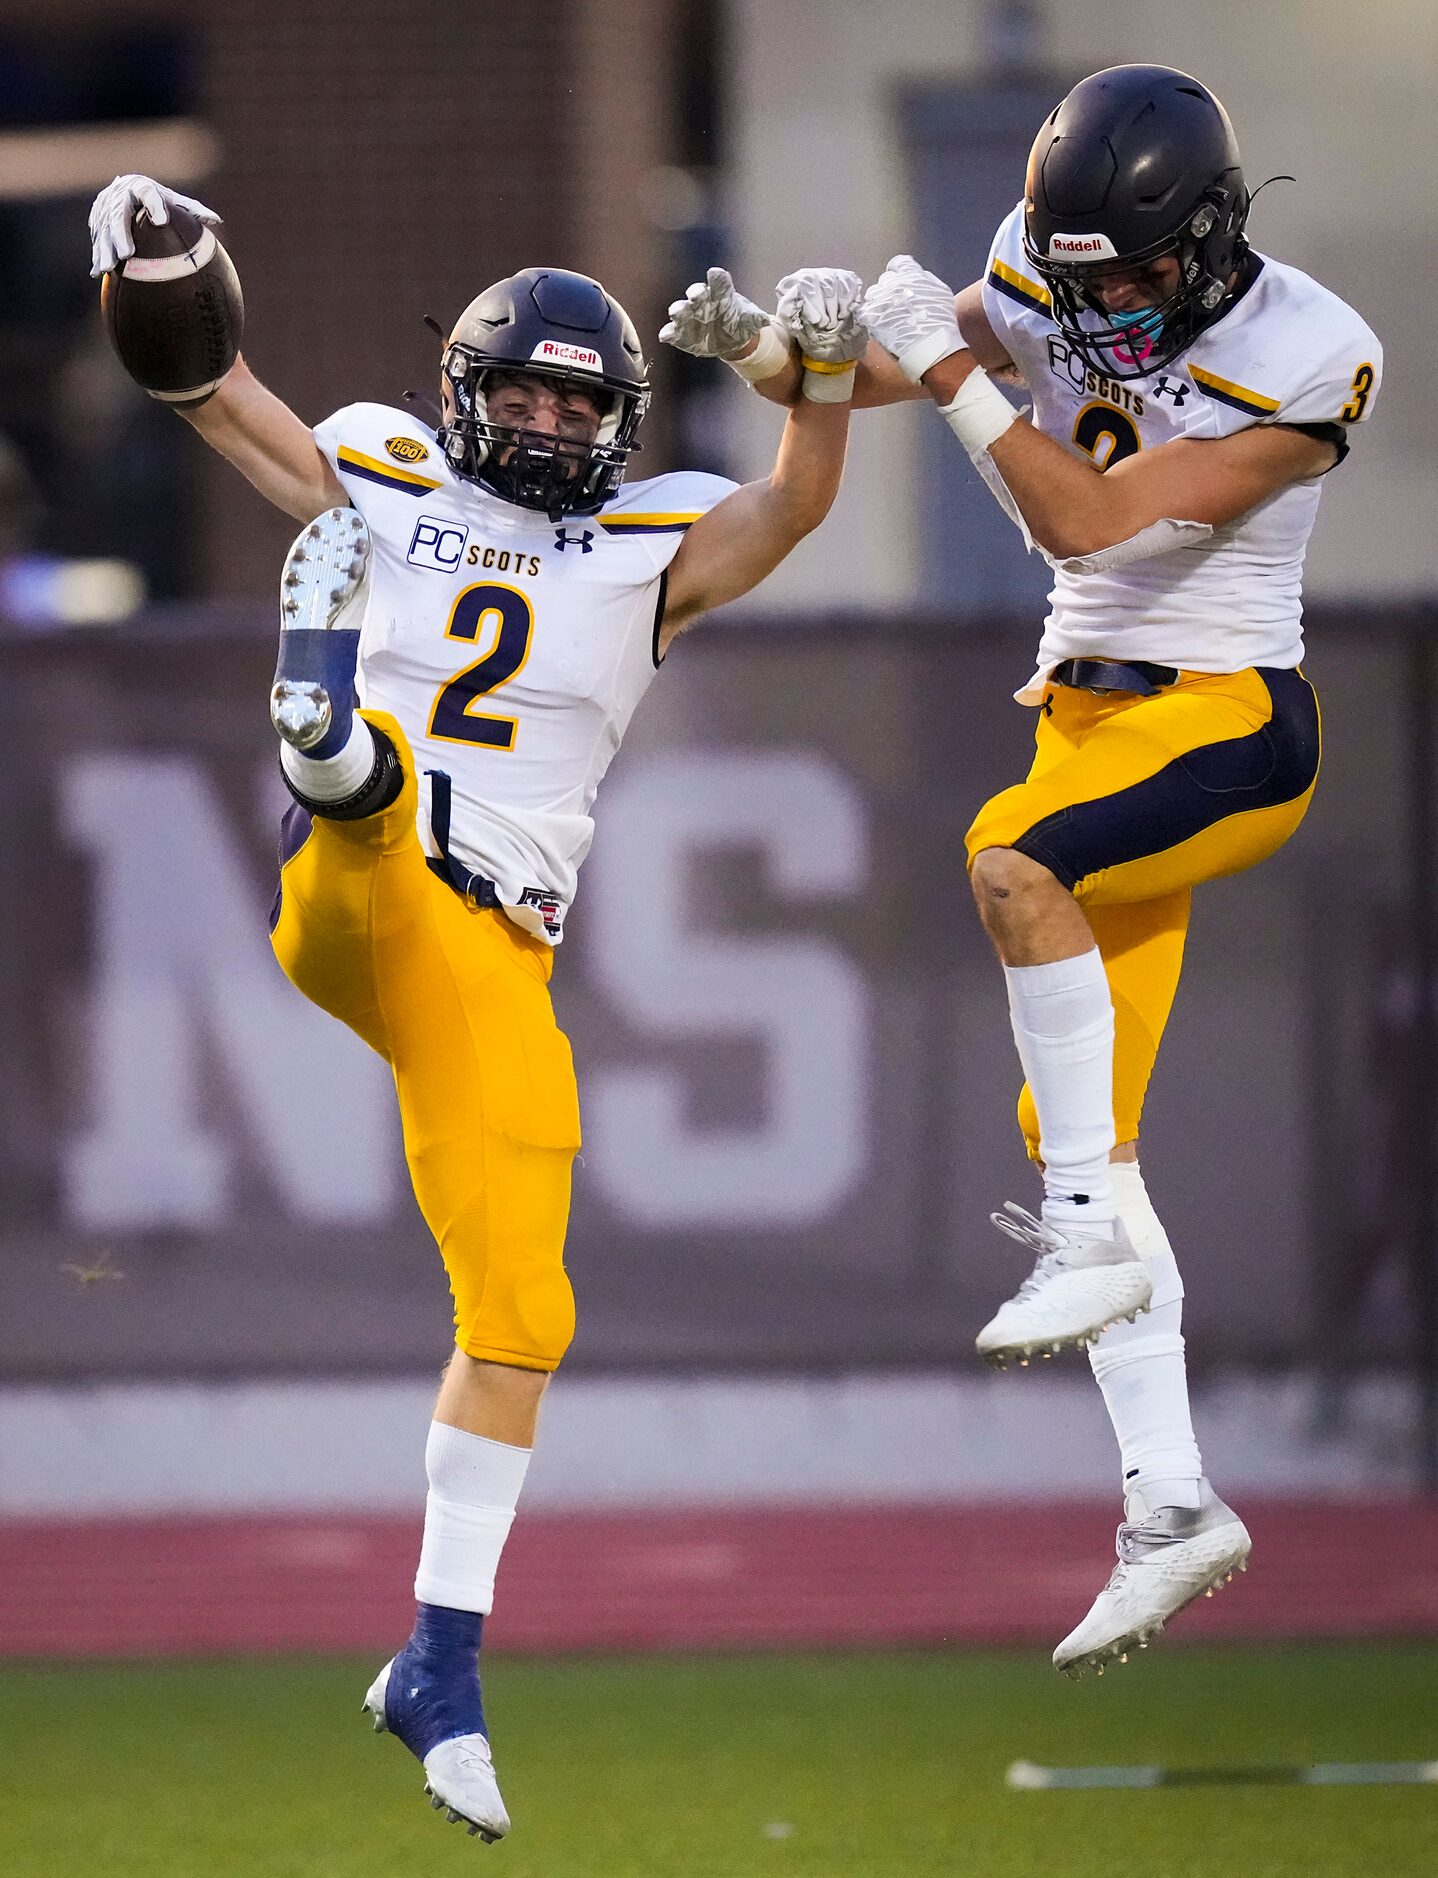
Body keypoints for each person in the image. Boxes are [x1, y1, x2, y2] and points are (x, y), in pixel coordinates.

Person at [88, 172, 865, 1840]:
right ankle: (332, 748)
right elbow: (204, 385)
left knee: (524, 1312)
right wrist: (150, 266)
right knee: (377, 811)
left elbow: (792, 510)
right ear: (461, 387)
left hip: (489, 954)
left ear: (616, 417)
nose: (537, 416)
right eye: (513, 387)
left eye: (573, 399)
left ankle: (436, 1659)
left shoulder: (651, 542)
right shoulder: (380, 460)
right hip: (353, 889)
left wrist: (814, 389)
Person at [673, 64, 1382, 1677]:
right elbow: (868, 382)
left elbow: (1087, 523)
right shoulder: (1045, 269)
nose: (1111, 308)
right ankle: (1172, 1503)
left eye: (1137, 276)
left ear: (1206, 239)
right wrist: (767, 356)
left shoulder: (1313, 349)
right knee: (1083, 1130)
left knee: (1010, 861)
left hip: (1224, 719)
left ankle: (1078, 1230)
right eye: (1087, 280)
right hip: (1084, 723)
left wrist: (934, 353)